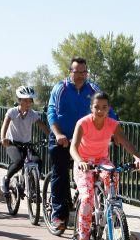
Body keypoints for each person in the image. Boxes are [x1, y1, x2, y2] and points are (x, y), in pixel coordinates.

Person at [69, 92, 140, 240]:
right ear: (91, 108)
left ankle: (112, 208)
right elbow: (73, 147)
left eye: (104, 107)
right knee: (87, 198)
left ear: (108, 109)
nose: (100, 111)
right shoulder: (83, 123)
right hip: (84, 162)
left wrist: (137, 157)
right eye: (97, 107)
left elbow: (125, 142)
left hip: (102, 160)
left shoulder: (112, 124)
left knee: (113, 172)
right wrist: (80, 161)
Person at [47, 57, 116, 231]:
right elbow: (52, 113)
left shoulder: (93, 89)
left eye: (83, 72)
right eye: (76, 72)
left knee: (95, 173)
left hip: (85, 140)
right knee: (60, 173)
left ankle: (98, 211)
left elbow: (109, 111)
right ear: (70, 72)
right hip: (62, 139)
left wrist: (114, 132)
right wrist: (58, 134)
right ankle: (58, 215)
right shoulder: (60, 89)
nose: (80, 76)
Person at [0, 85, 49, 196]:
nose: (28, 103)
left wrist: (51, 136)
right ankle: (6, 179)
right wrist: (3, 138)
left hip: (27, 145)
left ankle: (32, 187)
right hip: (12, 144)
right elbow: (4, 125)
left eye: (30, 101)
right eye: (25, 100)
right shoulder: (12, 112)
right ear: (19, 100)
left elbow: (43, 126)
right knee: (19, 161)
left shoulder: (32, 114)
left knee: (37, 161)